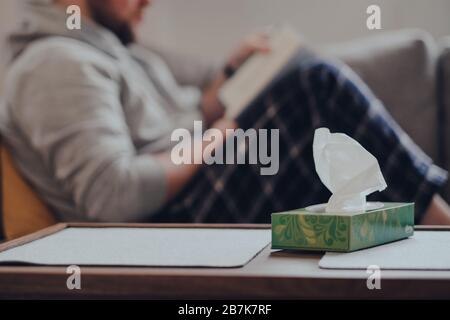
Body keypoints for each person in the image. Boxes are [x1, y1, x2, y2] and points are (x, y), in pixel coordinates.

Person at [0, 0, 449, 224]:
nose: (148, 2)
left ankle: (424, 228)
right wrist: (222, 133)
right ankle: (441, 229)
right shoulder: (55, 64)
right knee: (315, 86)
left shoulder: (102, 48)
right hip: (163, 225)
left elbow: (172, 126)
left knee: (302, 81)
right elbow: (113, 194)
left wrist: (227, 81)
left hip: (188, 193)